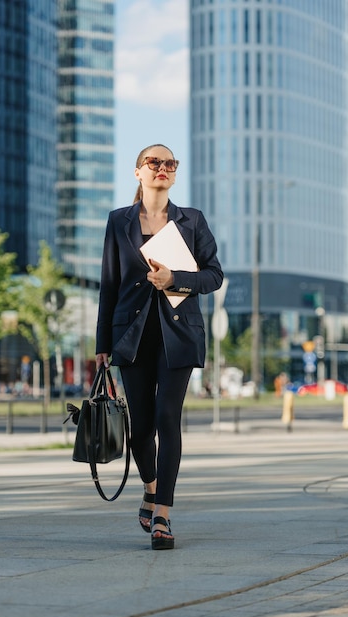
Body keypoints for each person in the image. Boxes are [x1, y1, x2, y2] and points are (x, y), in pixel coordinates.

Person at [95, 143, 224, 550]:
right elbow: (109, 286)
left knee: (168, 418)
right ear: (138, 172)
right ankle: (150, 487)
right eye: (154, 162)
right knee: (141, 428)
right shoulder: (119, 221)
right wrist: (102, 343)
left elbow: (214, 276)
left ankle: (163, 514)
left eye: (170, 164)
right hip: (131, 335)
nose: (163, 168)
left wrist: (176, 279)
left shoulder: (192, 220)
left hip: (179, 334)